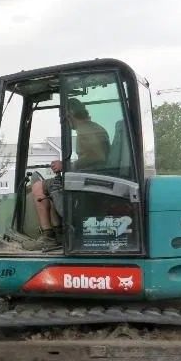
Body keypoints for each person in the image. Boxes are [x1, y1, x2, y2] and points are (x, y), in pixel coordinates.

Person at [26, 98, 110, 250]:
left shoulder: (86, 130)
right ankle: (59, 232)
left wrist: (65, 165)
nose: (64, 121)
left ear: (70, 113)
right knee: (49, 189)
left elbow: (98, 158)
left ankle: (48, 236)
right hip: (91, 178)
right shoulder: (94, 128)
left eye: (64, 116)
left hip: (89, 181)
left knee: (38, 186)